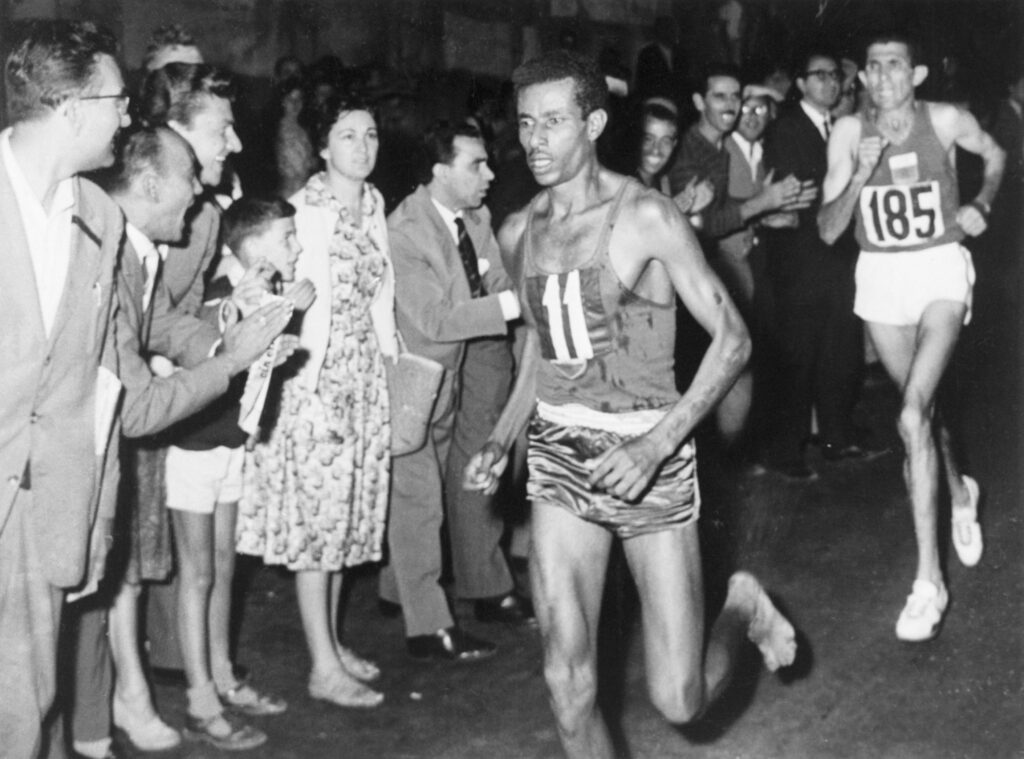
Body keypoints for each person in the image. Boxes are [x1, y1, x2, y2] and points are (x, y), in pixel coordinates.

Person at [465, 50, 797, 759]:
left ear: (593, 123)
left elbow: (733, 341)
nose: (536, 140)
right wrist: (502, 434)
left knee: (680, 699)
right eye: (526, 123)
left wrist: (654, 446)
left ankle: (740, 606)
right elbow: (539, 347)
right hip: (560, 456)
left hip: (650, 450)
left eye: (554, 122)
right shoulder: (520, 230)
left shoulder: (645, 215)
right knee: (566, 683)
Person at [68, 126, 293, 759]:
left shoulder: (138, 250)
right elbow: (138, 408)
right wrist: (230, 362)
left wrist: (228, 331)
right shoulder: (108, 256)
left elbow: (163, 324)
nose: (200, 192)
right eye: (189, 178)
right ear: (148, 185)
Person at [818, 33, 1004, 641]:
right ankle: (959, 489)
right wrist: (858, 175)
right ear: (863, 77)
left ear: (916, 73)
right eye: (872, 67)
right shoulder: (847, 133)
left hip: (940, 269)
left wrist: (982, 199)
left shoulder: (946, 119)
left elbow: (997, 154)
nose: (883, 76)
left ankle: (929, 583)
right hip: (880, 278)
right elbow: (825, 230)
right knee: (919, 415)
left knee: (911, 413)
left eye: (894, 65)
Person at [238, 92, 397, 708]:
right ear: (323, 146)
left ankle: (330, 642)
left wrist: (389, 361)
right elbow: (273, 297)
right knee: (319, 527)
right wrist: (302, 383)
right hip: (315, 382)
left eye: (372, 133)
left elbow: (380, 298)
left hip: (364, 378)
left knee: (349, 522)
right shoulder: (305, 211)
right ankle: (321, 667)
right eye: (350, 135)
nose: (364, 147)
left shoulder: (374, 205)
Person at [0, 21, 128, 757]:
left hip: (46, 508)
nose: (127, 118)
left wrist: (97, 513)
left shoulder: (99, 218)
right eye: (118, 102)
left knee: (31, 710)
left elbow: (99, 383)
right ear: (74, 110)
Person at [163, 197, 313, 750]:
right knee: (197, 574)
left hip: (229, 444)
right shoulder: (224, 293)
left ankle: (223, 675)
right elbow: (210, 336)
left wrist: (277, 342)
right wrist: (247, 318)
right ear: (251, 246)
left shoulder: (265, 294)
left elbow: (249, 367)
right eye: (288, 238)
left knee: (224, 568)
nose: (297, 248)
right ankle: (199, 699)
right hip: (194, 447)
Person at [379, 121, 530, 663]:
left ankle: (472, 586)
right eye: (477, 165)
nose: (491, 174)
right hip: (423, 370)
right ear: (440, 172)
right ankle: (426, 623)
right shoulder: (405, 230)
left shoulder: (474, 216)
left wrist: (517, 296)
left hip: (475, 354)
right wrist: (518, 306)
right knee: (418, 495)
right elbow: (436, 319)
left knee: (475, 466)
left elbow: (493, 281)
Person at [762, 50, 873, 480]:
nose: (829, 83)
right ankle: (786, 453)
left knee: (839, 353)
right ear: (800, 84)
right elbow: (798, 195)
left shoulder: (842, 126)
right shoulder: (786, 128)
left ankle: (835, 439)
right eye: (819, 76)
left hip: (840, 259)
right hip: (801, 262)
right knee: (798, 358)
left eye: (834, 76)